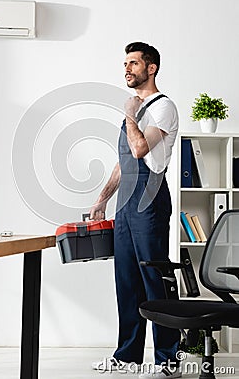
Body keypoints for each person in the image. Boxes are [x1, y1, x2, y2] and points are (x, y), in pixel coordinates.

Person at [90, 42, 181, 378]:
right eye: (124, 64)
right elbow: (123, 161)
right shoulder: (135, 108)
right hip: (126, 203)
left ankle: (168, 359)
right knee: (126, 280)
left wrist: (130, 113)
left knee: (153, 277)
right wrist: (102, 198)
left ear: (151, 67)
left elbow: (141, 149)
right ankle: (127, 354)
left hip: (150, 198)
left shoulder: (163, 107)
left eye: (133, 63)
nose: (127, 69)